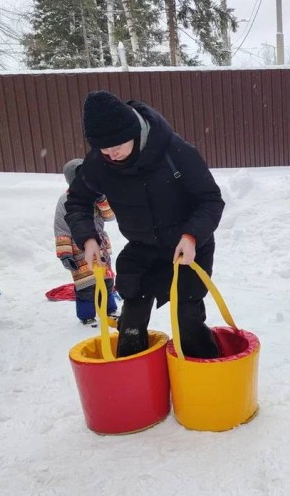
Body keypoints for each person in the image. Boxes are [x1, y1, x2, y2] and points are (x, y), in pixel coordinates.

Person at [65, 91, 224, 359]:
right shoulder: (98, 163)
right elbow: (77, 202)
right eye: (104, 150)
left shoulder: (175, 151)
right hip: (142, 248)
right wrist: (88, 238)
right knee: (131, 323)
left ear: (134, 132)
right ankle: (134, 389)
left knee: (187, 320)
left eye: (117, 147)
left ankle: (207, 381)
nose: (112, 155)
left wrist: (192, 235)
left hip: (186, 248)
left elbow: (210, 200)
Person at [54, 158, 118, 324]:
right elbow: (61, 229)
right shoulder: (65, 201)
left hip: (100, 248)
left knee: (106, 280)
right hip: (78, 251)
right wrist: (65, 254)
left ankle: (109, 310)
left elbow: (110, 216)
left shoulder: (98, 197)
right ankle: (87, 316)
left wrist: (101, 198)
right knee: (85, 285)